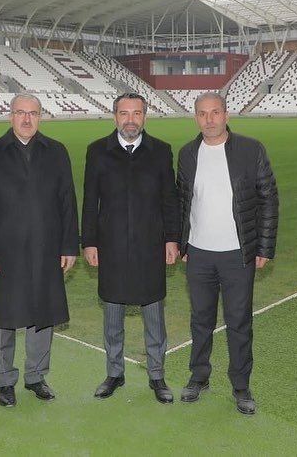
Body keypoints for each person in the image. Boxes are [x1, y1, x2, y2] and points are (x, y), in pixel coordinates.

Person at [177, 91, 278, 415]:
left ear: (226, 115)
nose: (209, 119)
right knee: (200, 320)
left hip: (238, 254)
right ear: (196, 118)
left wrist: (263, 247)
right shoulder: (188, 153)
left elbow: (268, 199)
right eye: (203, 113)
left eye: (215, 112)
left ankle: (241, 386)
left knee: (239, 322)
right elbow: (182, 202)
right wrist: (182, 243)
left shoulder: (250, 149)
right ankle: (199, 377)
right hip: (199, 254)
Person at [0, 93, 79, 407]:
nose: (26, 119)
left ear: (40, 116)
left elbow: (67, 202)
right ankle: (5, 380)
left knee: (42, 314)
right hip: (5, 252)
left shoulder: (56, 152)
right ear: (11, 116)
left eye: (32, 113)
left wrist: (68, 244)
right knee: (5, 318)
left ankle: (36, 376)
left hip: (47, 248)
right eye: (21, 112)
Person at [81, 93, 180, 403]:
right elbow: (89, 200)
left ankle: (157, 375)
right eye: (124, 113)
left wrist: (172, 238)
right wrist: (90, 241)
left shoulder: (161, 152)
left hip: (151, 245)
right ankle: (114, 372)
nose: (130, 119)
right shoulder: (97, 151)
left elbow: (169, 199)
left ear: (144, 117)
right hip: (110, 246)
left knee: (154, 316)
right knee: (113, 313)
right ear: (115, 117)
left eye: (136, 113)